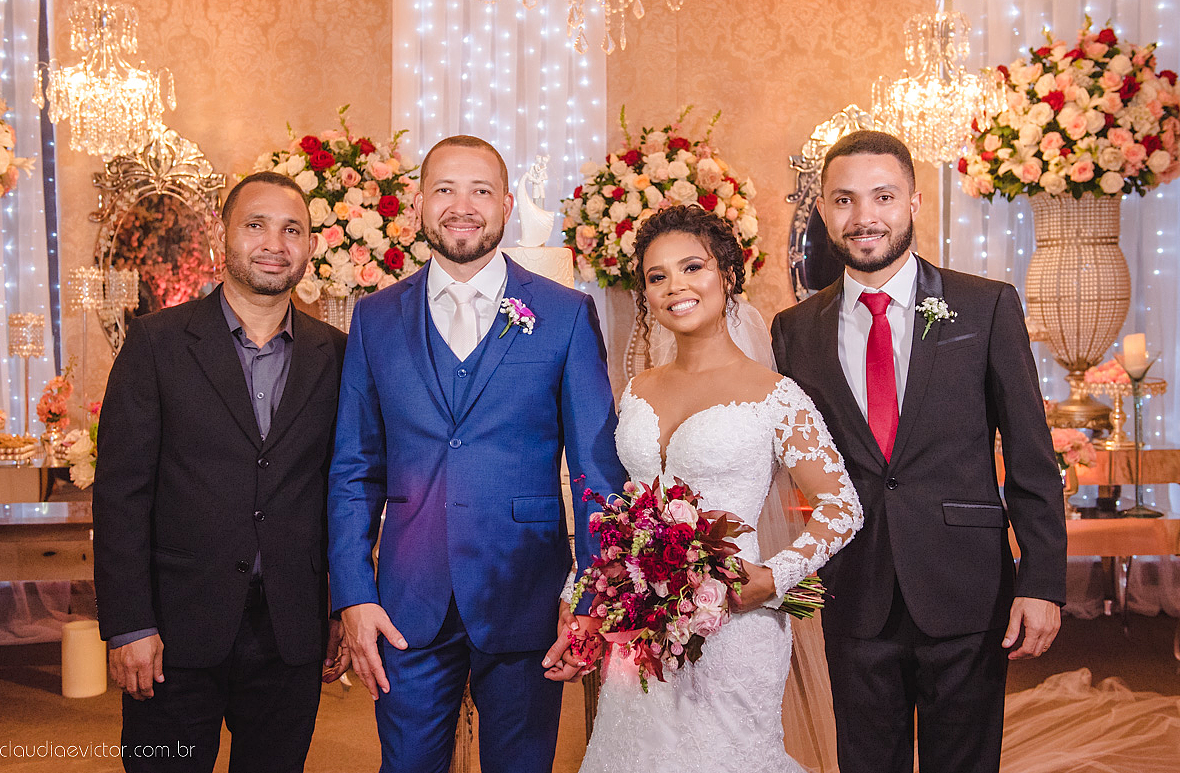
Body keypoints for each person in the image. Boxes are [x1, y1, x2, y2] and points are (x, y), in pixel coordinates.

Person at [771, 130, 1067, 773]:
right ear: (823, 210)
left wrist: (1043, 579)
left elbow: (1030, 454)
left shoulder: (984, 305)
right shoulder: (796, 329)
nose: (864, 217)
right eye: (845, 200)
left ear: (914, 202)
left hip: (967, 584)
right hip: (856, 590)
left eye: (883, 197)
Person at [328, 135, 625, 773]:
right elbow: (355, 470)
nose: (462, 206)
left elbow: (596, 471)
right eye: (445, 189)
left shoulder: (565, 314)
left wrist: (593, 595)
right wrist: (354, 594)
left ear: (508, 204)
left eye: (481, 190)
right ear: (418, 205)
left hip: (529, 597)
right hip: (405, 602)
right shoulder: (376, 318)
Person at [577, 204, 864, 773]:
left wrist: (774, 578)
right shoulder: (637, 389)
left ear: (728, 275)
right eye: (657, 277)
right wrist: (587, 595)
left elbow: (843, 506)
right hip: (643, 631)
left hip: (735, 621)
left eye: (692, 268)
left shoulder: (774, 394)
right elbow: (623, 513)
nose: (674, 287)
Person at [93, 171, 350, 772]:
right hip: (174, 631)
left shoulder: (337, 355)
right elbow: (121, 497)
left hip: (289, 630)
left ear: (310, 247)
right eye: (256, 225)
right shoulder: (155, 345)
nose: (274, 243)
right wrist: (129, 623)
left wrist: (339, 605)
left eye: (293, 230)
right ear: (224, 238)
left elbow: (344, 490)